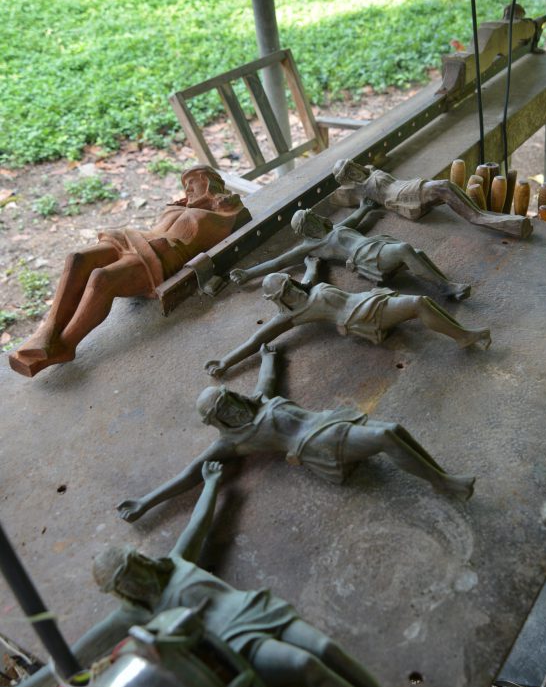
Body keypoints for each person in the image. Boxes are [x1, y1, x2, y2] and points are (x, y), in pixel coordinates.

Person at [0, 462, 424, 687]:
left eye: (132, 567)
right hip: (239, 646)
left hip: (260, 610)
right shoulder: (137, 614)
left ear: (140, 560)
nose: (135, 578)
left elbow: (199, 525)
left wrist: (211, 484)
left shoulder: (176, 564)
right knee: (305, 665)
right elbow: (72, 657)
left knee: (328, 649)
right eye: (124, 581)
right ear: (121, 592)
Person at [117, 346, 475, 523]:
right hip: (318, 445)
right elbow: (190, 473)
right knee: (387, 435)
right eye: (222, 413)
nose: (232, 410)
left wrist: (268, 355)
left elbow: (268, 377)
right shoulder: (235, 441)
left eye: (229, 401)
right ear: (218, 422)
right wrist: (145, 503)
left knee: (393, 430)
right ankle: (443, 482)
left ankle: (441, 478)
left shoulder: (262, 400)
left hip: (331, 421)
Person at [9, 165, 251, 377]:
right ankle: (48, 330)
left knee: (101, 278)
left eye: (192, 182)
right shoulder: (182, 205)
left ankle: (65, 344)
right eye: (185, 185)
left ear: (209, 182)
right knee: (77, 259)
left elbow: (225, 228)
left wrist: (220, 204)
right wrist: (184, 205)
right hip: (136, 240)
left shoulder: (226, 208)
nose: (187, 189)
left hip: (161, 257)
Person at [205, 255, 490, 377]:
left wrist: (310, 261)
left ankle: (462, 334)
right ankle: (463, 336)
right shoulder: (293, 315)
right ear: (279, 299)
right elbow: (257, 339)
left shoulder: (307, 288)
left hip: (369, 300)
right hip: (362, 317)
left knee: (421, 302)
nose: (291, 290)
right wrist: (226, 362)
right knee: (419, 303)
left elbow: (312, 271)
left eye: (289, 284)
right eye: (285, 291)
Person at [229, 201, 471, 300]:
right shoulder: (313, 245)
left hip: (376, 245)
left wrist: (365, 207)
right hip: (366, 257)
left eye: (314, 215)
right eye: (312, 219)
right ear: (308, 229)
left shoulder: (334, 228)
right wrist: (248, 274)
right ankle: (446, 287)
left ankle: (447, 286)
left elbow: (354, 219)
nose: (318, 218)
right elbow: (278, 263)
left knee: (417, 254)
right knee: (405, 249)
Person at [332, 158, 532, 239]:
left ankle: (483, 216)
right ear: (348, 178)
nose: (354, 171)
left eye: (352, 166)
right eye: (349, 172)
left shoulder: (369, 172)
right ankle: (478, 218)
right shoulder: (361, 189)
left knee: (447, 187)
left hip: (406, 185)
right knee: (444, 187)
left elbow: (371, 168)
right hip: (403, 196)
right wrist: (363, 205)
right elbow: (341, 198)